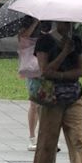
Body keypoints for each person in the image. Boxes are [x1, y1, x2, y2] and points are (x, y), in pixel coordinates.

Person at [32, 21, 82, 163]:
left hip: (74, 95)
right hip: (51, 97)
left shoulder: (75, 41)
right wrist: (64, 52)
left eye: (70, 22)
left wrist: (60, 75)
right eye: (65, 22)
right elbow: (45, 70)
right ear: (57, 21)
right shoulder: (44, 41)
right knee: (47, 143)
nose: (69, 25)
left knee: (79, 140)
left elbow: (80, 71)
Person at [17, 17, 52, 151]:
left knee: (47, 104)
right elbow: (22, 37)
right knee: (34, 104)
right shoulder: (28, 21)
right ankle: (32, 138)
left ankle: (47, 137)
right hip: (32, 71)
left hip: (47, 69)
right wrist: (35, 22)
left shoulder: (50, 19)